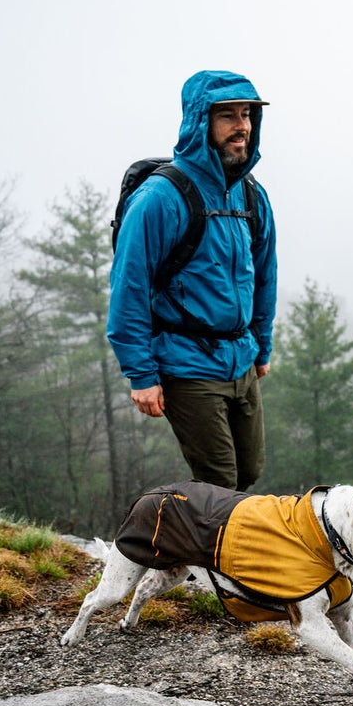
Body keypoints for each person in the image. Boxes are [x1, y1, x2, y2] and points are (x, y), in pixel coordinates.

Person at [107, 70, 277, 490]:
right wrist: (141, 374)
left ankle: (197, 543)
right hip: (187, 363)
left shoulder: (252, 195)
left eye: (247, 115)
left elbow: (264, 276)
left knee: (248, 472)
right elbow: (129, 287)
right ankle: (189, 549)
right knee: (219, 480)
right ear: (200, 121)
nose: (242, 127)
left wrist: (262, 345)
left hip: (240, 357)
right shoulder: (160, 199)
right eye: (228, 116)